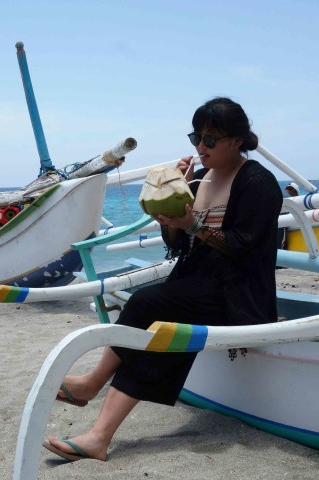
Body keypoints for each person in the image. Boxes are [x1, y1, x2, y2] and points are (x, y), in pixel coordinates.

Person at [43, 97, 283, 462]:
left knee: (149, 307)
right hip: (198, 284)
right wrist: (170, 208)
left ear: (237, 141)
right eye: (195, 138)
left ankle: (95, 401)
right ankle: (97, 425)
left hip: (237, 292)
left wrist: (193, 224)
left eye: (210, 140)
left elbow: (243, 250)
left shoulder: (258, 182)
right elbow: (179, 245)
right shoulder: (201, 178)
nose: (200, 147)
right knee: (157, 320)